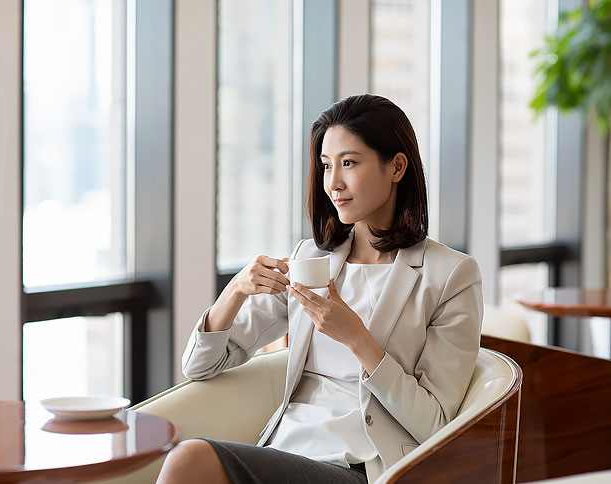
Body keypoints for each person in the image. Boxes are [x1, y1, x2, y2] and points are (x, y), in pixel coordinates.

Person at [157, 94, 483, 484]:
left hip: (359, 467)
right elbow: (200, 365)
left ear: (396, 167)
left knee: (190, 459)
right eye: (326, 165)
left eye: (349, 163)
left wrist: (359, 340)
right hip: (284, 451)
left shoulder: (450, 275)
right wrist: (237, 290)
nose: (333, 183)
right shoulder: (310, 260)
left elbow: (437, 426)